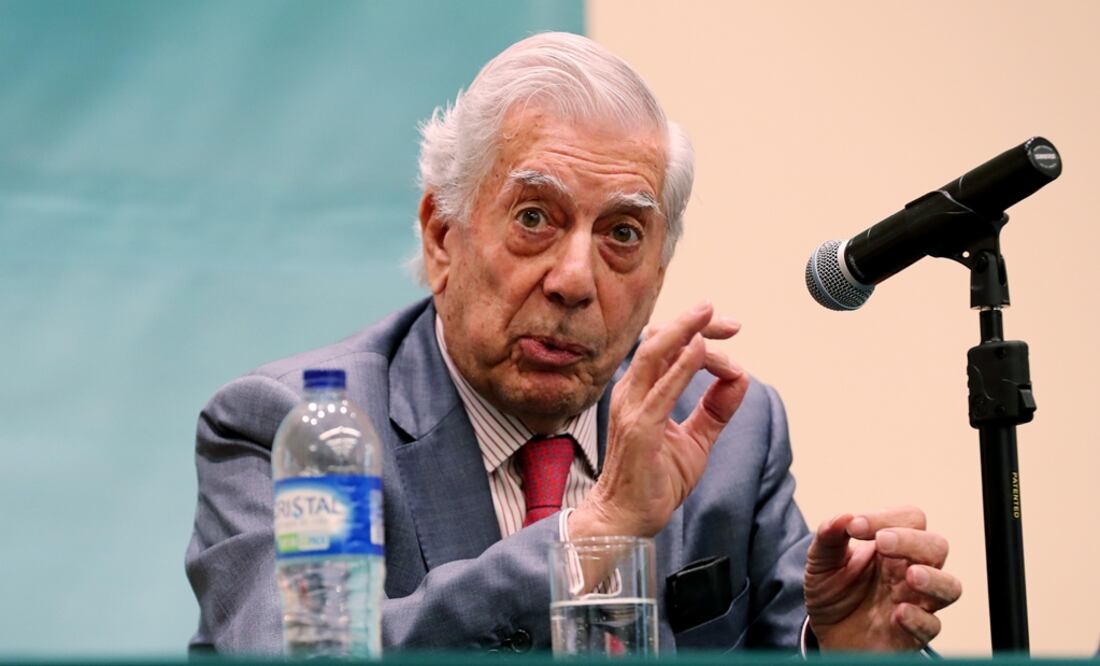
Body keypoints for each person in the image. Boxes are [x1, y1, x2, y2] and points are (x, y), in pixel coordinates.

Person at [185, 32, 961, 654]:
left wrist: (840, 649)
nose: (573, 279)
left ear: (659, 274)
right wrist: (585, 539)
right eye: (534, 218)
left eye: (623, 233)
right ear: (442, 236)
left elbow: (788, 637)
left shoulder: (729, 432)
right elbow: (279, 653)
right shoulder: (296, 424)